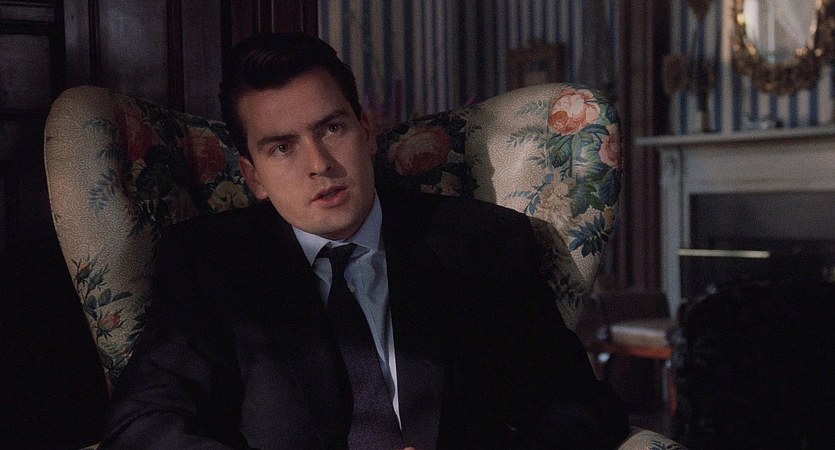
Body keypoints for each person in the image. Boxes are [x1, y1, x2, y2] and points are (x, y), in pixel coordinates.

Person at [100, 32, 629, 449]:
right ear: (253, 175)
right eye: (282, 147)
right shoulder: (208, 263)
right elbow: (144, 423)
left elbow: (578, 408)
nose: (319, 164)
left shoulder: (481, 242)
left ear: (366, 131)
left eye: (332, 129)